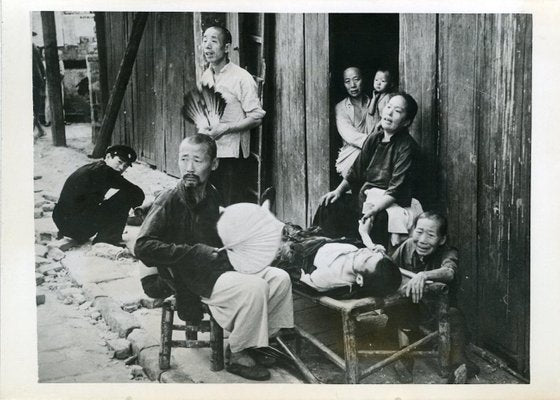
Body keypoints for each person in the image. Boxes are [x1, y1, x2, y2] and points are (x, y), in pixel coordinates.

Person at [134, 134, 293, 381]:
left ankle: (251, 341)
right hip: (188, 276)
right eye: (184, 159)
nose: (189, 167)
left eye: (197, 160)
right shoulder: (170, 199)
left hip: (216, 268)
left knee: (279, 278)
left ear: (214, 164)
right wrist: (194, 252)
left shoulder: (212, 194)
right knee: (255, 287)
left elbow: (219, 234)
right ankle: (238, 354)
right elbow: (143, 246)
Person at [313, 92, 423, 250]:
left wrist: (373, 210)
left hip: (392, 203)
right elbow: (355, 173)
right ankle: (321, 254)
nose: (389, 112)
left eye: (397, 111)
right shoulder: (373, 139)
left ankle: (367, 264)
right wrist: (337, 191)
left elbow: (396, 190)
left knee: (378, 218)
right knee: (329, 205)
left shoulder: (407, 147)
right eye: (388, 106)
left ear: (406, 122)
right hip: (365, 198)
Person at [387, 211, 480, 383]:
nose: (422, 240)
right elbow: (389, 266)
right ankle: (404, 359)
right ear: (412, 231)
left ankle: (459, 366)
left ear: (441, 239)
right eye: (419, 231)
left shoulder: (448, 252)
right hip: (410, 311)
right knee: (401, 312)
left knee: (455, 317)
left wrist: (423, 275)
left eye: (430, 235)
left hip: (437, 313)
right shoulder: (406, 246)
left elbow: (449, 272)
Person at [199, 25, 266, 206]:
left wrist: (227, 128)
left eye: (214, 41)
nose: (207, 46)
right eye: (205, 40)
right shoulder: (205, 76)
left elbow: (257, 117)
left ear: (227, 47)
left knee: (230, 206)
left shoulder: (241, 77)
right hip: (210, 151)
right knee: (209, 204)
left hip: (232, 156)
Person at [52, 145, 144, 246]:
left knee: (123, 195)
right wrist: (139, 210)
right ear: (108, 157)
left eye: (125, 165)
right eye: (119, 162)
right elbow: (137, 192)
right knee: (127, 194)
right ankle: (107, 240)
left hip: (64, 221)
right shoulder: (104, 172)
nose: (121, 168)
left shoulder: (96, 168)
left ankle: (105, 237)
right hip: (75, 225)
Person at [334, 67, 376, 178]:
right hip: (351, 155)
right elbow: (350, 136)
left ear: (363, 79)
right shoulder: (341, 107)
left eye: (356, 79)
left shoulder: (372, 103)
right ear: (343, 84)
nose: (352, 85)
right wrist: (376, 143)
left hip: (374, 153)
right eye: (347, 81)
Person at [32, 32, 46, 137]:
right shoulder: (33, 47)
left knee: (34, 107)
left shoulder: (33, 47)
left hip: (34, 81)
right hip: (35, 80)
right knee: (34, 108)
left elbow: (39, 66)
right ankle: (39, 130)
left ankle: (38, 130)